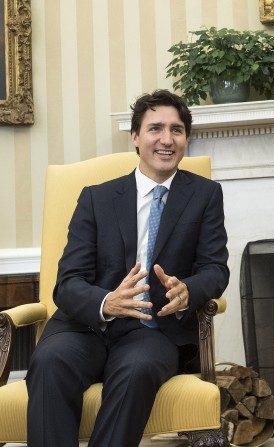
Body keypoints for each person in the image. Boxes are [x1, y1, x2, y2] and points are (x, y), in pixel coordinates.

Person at [25, 89, 229, 446]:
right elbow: (68, 282)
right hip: (85, 327)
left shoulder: (205, 195)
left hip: (153, 330)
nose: (167, 139)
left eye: (177, 130)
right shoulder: (96, 198)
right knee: (50, 361)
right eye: (155, 129)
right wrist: (107, 302)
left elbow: (216, 269)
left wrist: (189, 291)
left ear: (186, 138)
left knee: (137, 370)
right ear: (135, 137)